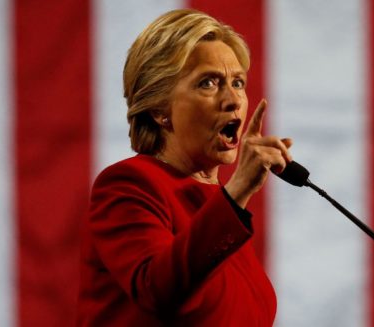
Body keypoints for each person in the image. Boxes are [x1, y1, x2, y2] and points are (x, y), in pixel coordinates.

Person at [76, 8, 293, 326]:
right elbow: (157, 289)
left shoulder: (218, 204)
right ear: (159, 109)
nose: (233, 99)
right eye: (208, 83)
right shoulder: (128, 185)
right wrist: (236, 195)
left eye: (238, 82)